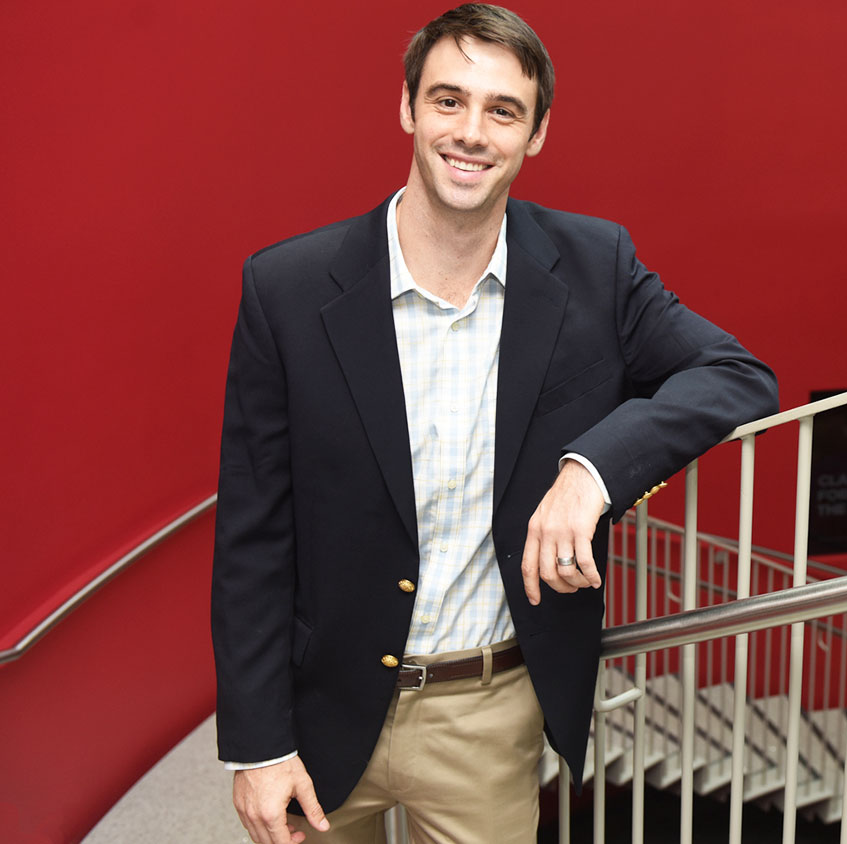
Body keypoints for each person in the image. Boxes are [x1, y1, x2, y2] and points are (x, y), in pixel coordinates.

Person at [210, 5, 778, 842]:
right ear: (408, 109)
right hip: (318, 706)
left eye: (502, 110)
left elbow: (738, 375)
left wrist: (594, 470)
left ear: (537, 131)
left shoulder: (597, 266)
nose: (471, 132)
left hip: (488, 716)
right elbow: (252, 535)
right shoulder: (286, 290)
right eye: (448, 101)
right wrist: (256, 745)